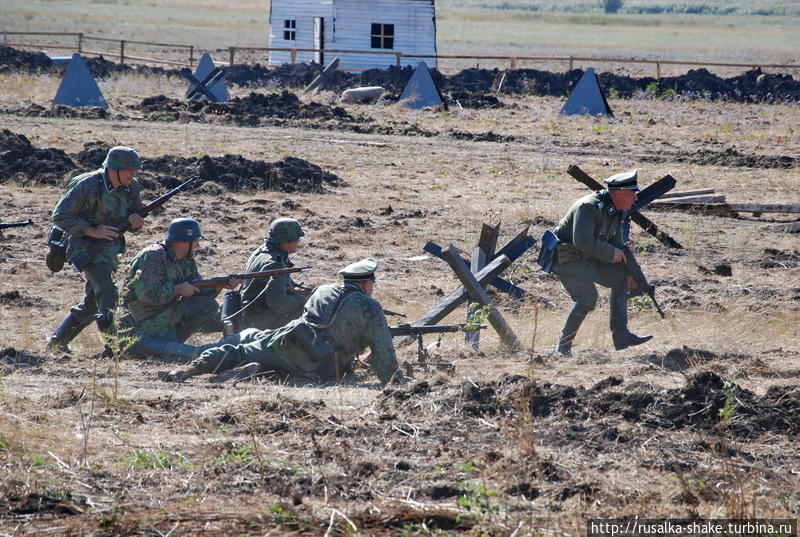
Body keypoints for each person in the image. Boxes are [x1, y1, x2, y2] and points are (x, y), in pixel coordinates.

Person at [162, 258, 402, 385]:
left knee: (238, 349)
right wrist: (396, 382)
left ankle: (189, 369)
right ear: (366, 283)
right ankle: (268, 372)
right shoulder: (370, 307)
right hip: (319, 366)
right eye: (372, 284)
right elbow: (385, 358)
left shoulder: (323, 291)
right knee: (250, 346)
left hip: (289, 343)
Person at [47, 146, 145, 353]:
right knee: (109, 292)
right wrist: (93, 231)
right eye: (129, 169)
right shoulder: (87, 185)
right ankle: (115, 349)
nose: (133, 174)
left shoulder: (132, 188)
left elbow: (134, 223)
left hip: (112, 251)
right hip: (85, 249)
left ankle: (56, 343)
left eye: (135, 169)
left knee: (92, 303)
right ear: (113, 169)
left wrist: (136, 223)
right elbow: (60, 216)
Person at [552, 169, 653, 357]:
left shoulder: (615, 210)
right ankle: (563, 347)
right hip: (565, 260)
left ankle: (621, 334)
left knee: (620, 279)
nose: (636, 199)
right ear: (619, 192)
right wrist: (610, 252)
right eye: (633, 194)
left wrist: (630, 273)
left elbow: (618, 246)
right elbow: (582, 241)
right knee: (588, 297)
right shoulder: (588, 207)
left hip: (586, 259)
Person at [117, 218, 239, 362]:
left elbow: (196, 288)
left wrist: (219, 285)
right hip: (136, 327)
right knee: (176, 352)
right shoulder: (153, 256)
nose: (198, 246)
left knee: (206, 305)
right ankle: (189, 351)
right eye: (195, 241)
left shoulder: (186, 260)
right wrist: (176, 290)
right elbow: (147, 295)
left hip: (162, 318)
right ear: (182, 242)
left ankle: (173, 341)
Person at [237, 218, 311, 330]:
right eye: (297, 239)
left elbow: (282, 285)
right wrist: (304, 301)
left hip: (248, 314)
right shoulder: (275, 264)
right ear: (286, 241)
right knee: (309, 311)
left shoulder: (261, 251)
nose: (298, 242)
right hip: (257, 321)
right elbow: (279, 304)